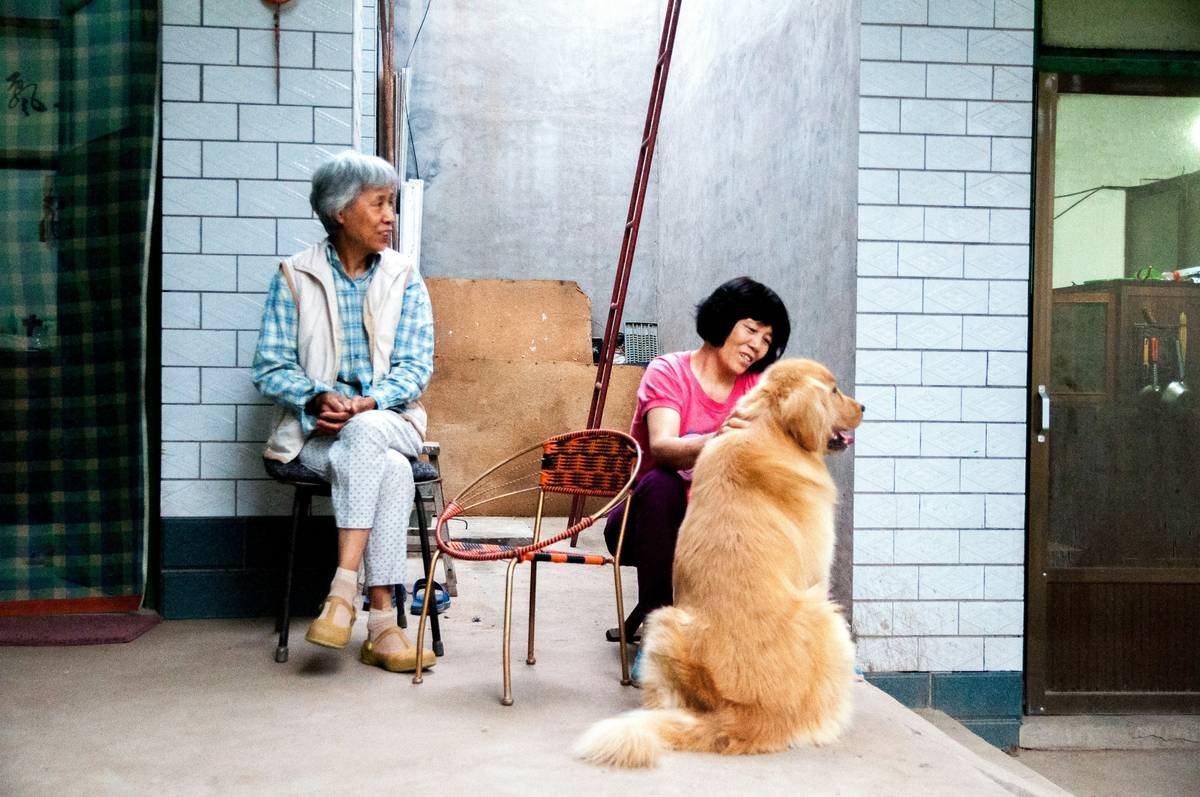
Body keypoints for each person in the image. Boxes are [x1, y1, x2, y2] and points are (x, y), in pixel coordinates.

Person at [252, 150, 436, 673]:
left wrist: (366, 402)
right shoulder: (295, 275)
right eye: (378, 204)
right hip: (319, 435)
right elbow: (269, 366)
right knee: (390, 467)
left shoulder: (405, 277)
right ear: (340, 211)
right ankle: (383, 626)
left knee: (371, 430)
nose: (390, 217)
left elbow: (415, 368)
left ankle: (341, 590)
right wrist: (316, 396)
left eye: (393, 205)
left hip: (391, 420)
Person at [603, 276, 790, 682]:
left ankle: (796, 641)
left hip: (720, 524)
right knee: (662, 484)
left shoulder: (756, 386)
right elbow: (664, 447)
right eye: (751, 329)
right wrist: (720, 438)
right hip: (646, 521)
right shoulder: (669, 371)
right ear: (723, 321)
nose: (757, 345)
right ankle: (657, 636)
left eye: (766, 338)